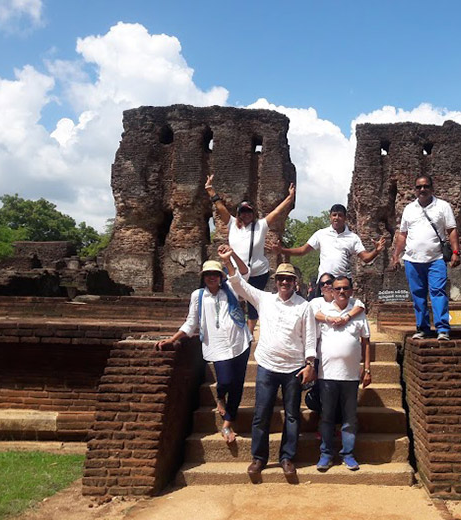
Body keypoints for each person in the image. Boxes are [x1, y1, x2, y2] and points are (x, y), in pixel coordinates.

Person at [223, 258, 316, 482]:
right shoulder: (264, 299)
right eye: (281, 278)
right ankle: (259, 458)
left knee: (292, 415)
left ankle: (287, 457)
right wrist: (227, 262)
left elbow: (310, 338)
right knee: (261, 414)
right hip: (267, 365)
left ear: (295, 282)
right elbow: (239, 285)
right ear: (276, 282)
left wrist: (310, 364)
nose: (284, 282)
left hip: (293, 367)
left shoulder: (304, 306)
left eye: (289, 279)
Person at [155, 245, 251, 443]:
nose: (212, 277)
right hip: (216, 345)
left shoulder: (232, 289)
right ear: (203, 277)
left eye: (215, 274)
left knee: (237, 385)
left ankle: (227, 423)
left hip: (240, 342)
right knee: (224, 381)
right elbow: (191, 322)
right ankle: (220, 396)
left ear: (221, 276)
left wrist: (228, 259)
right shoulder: (198, 296)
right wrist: (173, 339)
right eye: (208, 274)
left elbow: (243, 273)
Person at [205, 174, 296, 333]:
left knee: (253, 302)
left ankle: (250, 331)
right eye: (243, 212)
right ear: (239, 213)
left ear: (253, 214)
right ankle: (230, 326)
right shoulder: (232, 224)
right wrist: (211, 190)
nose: (246, 215)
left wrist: (290, 198)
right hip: (235, 270)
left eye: (249, 212)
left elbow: (276, 212)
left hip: (257, 271)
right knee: (229, 297)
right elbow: (220, 208)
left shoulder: (261, 225)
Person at [390, 174, 461, 341]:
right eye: (419, 187)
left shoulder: (443, 206)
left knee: (438, 292)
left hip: (436, 258)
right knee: (418, 295)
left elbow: (451, 230)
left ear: (432, 188)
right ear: (415, 190)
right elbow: (402, 234)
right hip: (412, 260)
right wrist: (396, 255)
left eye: (426, 186)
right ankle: (422, 328)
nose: (422, 189)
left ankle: (442, 329)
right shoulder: (409, 209)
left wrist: (456, 252)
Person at [314, 276, 372, 472]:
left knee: (349, 418)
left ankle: (348, 454)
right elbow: (314, 338)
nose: (341, 292)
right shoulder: (324, 311)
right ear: (331, 290)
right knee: (327, 416)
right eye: (337, 288)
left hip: (350, 375)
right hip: (327, 374)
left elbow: (366, 342)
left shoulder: (358, 312)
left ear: (351, 291)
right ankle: (326, 454)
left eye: (345, 288)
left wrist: (368, 368)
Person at [274, 204, 387, 291]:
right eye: (334, 215)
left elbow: (365, 258)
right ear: (330, 217)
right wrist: (282, 250)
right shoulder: (321, 234)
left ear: (345, 218)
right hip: (324, 282)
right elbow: (303, 250)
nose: (336, 218)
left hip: (343, 283)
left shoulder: (352, 237)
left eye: (340, 215)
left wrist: (376, 251)